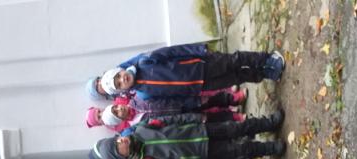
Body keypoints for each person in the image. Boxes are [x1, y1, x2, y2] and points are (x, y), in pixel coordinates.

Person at [90, 112, 285, 159]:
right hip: (200, 152)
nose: (121, 140)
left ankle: (269, 123)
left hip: (200, 130)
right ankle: (271, 148)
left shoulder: (140, 129)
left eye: (117, 139)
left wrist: (195, 118)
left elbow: (169, 120)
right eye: (118, 146)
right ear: (121, 156)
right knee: (239, 150)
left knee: (237, 128)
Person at [85, 43, 285, 100]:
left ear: (120, 70)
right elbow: (172, 96)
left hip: (200, 65)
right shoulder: (144, 93)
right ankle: (265, 73)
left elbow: (174, 51)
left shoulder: (144, 61)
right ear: (122, 90)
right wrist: (194, 96)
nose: (123, 79)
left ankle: (267, 59)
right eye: (120, 84)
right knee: (236, 77)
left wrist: (199, 50)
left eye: (119, 76)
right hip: (199, 86)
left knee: (235, 60)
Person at [85, 89, 247, 132]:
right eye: (118, 112)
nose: (120, 108)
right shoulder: (136, 125)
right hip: (179, 119)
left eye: (116, 107)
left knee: (208, 101)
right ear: (120, 120)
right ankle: (234, 117)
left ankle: (233, 98)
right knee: (207, 118)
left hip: (179, 102)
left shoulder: (137, 98)